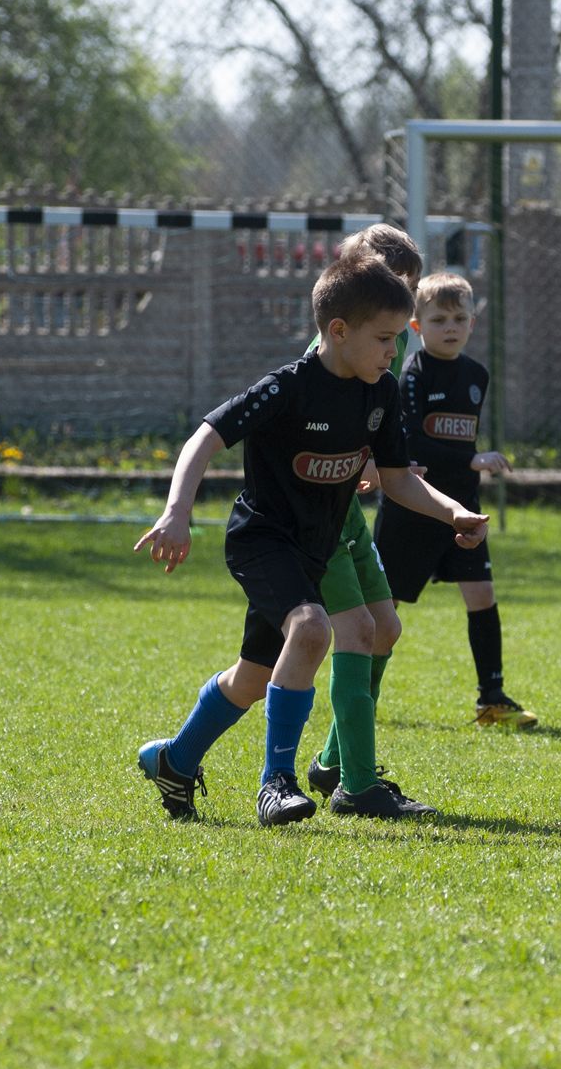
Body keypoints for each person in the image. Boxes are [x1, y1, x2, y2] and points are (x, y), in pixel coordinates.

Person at [133, 253, 488, 824]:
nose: (393, 352)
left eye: (399, 340)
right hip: (262, 539)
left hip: (316, 546)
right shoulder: (287, 388)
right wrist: (177, 512)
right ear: (338, 331)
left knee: (251, 678)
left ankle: (175, 759)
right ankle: (277, 782)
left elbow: (398, 481)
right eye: (383, 339)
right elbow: (205, 436)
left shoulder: (382, 391)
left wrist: (455, 514)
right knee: (312, 628)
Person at [297, 224, 439, 812]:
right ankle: (357, 785)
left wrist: (379, 466)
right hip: (313, 517)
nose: (400, 311)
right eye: (388, 290)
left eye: (405, 293)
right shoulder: (322, 361)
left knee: (387, 629)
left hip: (350, 507)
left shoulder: (394, 345)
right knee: (346, 635)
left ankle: (334, 764)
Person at [373, 272, 536, 728]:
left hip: (463, 509)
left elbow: (458, 447)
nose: (451, 327)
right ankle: (359, 694)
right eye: (439, 318)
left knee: (482, 595)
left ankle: (492, 699)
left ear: (472, 323)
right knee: (385, 609)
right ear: (417, 326)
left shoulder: (476, 376)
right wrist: (472, 461)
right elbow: (408, 448)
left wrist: (468, 469)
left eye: (459, 318)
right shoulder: (410, 376)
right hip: (413, 507)